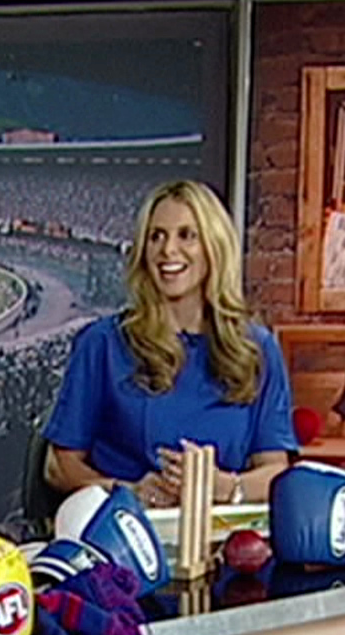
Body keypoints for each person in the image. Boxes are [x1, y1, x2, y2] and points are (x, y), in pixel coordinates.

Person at [41, 179, 299, 508]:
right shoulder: (103, 344)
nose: (168, 250)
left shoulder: (256, 349)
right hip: (127, 527)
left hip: (221, 531)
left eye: (187, 235)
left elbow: (275, 471)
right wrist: (128, 491)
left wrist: (225, 487)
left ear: (214, 246)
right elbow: (58, 467)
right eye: (156, 236)